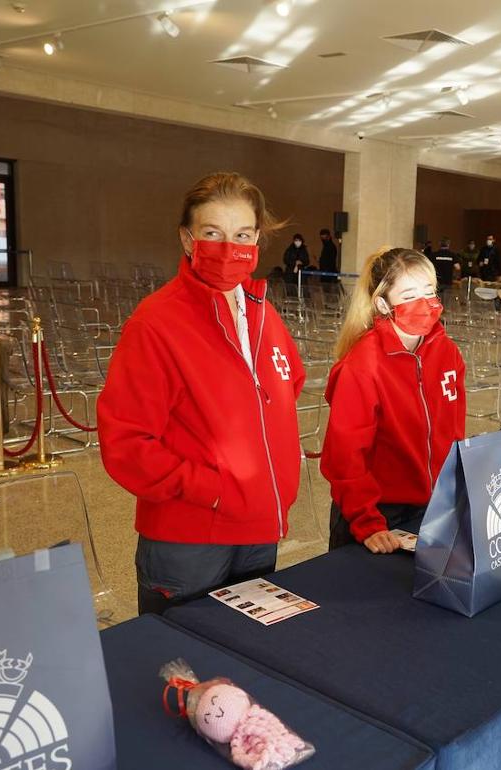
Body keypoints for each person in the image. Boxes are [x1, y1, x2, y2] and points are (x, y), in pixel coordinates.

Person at [98, 172, 306, 616]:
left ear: (256, 242)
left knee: (247, 668)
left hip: (258, 532)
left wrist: (280, 475)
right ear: (188, 239)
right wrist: (210, 489)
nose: (229, 249)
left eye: (242, 235)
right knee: (180, 672)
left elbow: (289, 385)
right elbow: (126, 444)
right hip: (188, 540)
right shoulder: (156, 322)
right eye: (213, 234)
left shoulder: (262, 312)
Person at [320, 247, 466, 553]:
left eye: (430, 292)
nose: (425, 304)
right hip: (376, 512)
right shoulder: (363, 364)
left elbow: (453, 432)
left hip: (432, 506)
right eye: (410, 295)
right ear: (384, 303)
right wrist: (366, 519)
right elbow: (345, 457)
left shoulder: (447, 353)